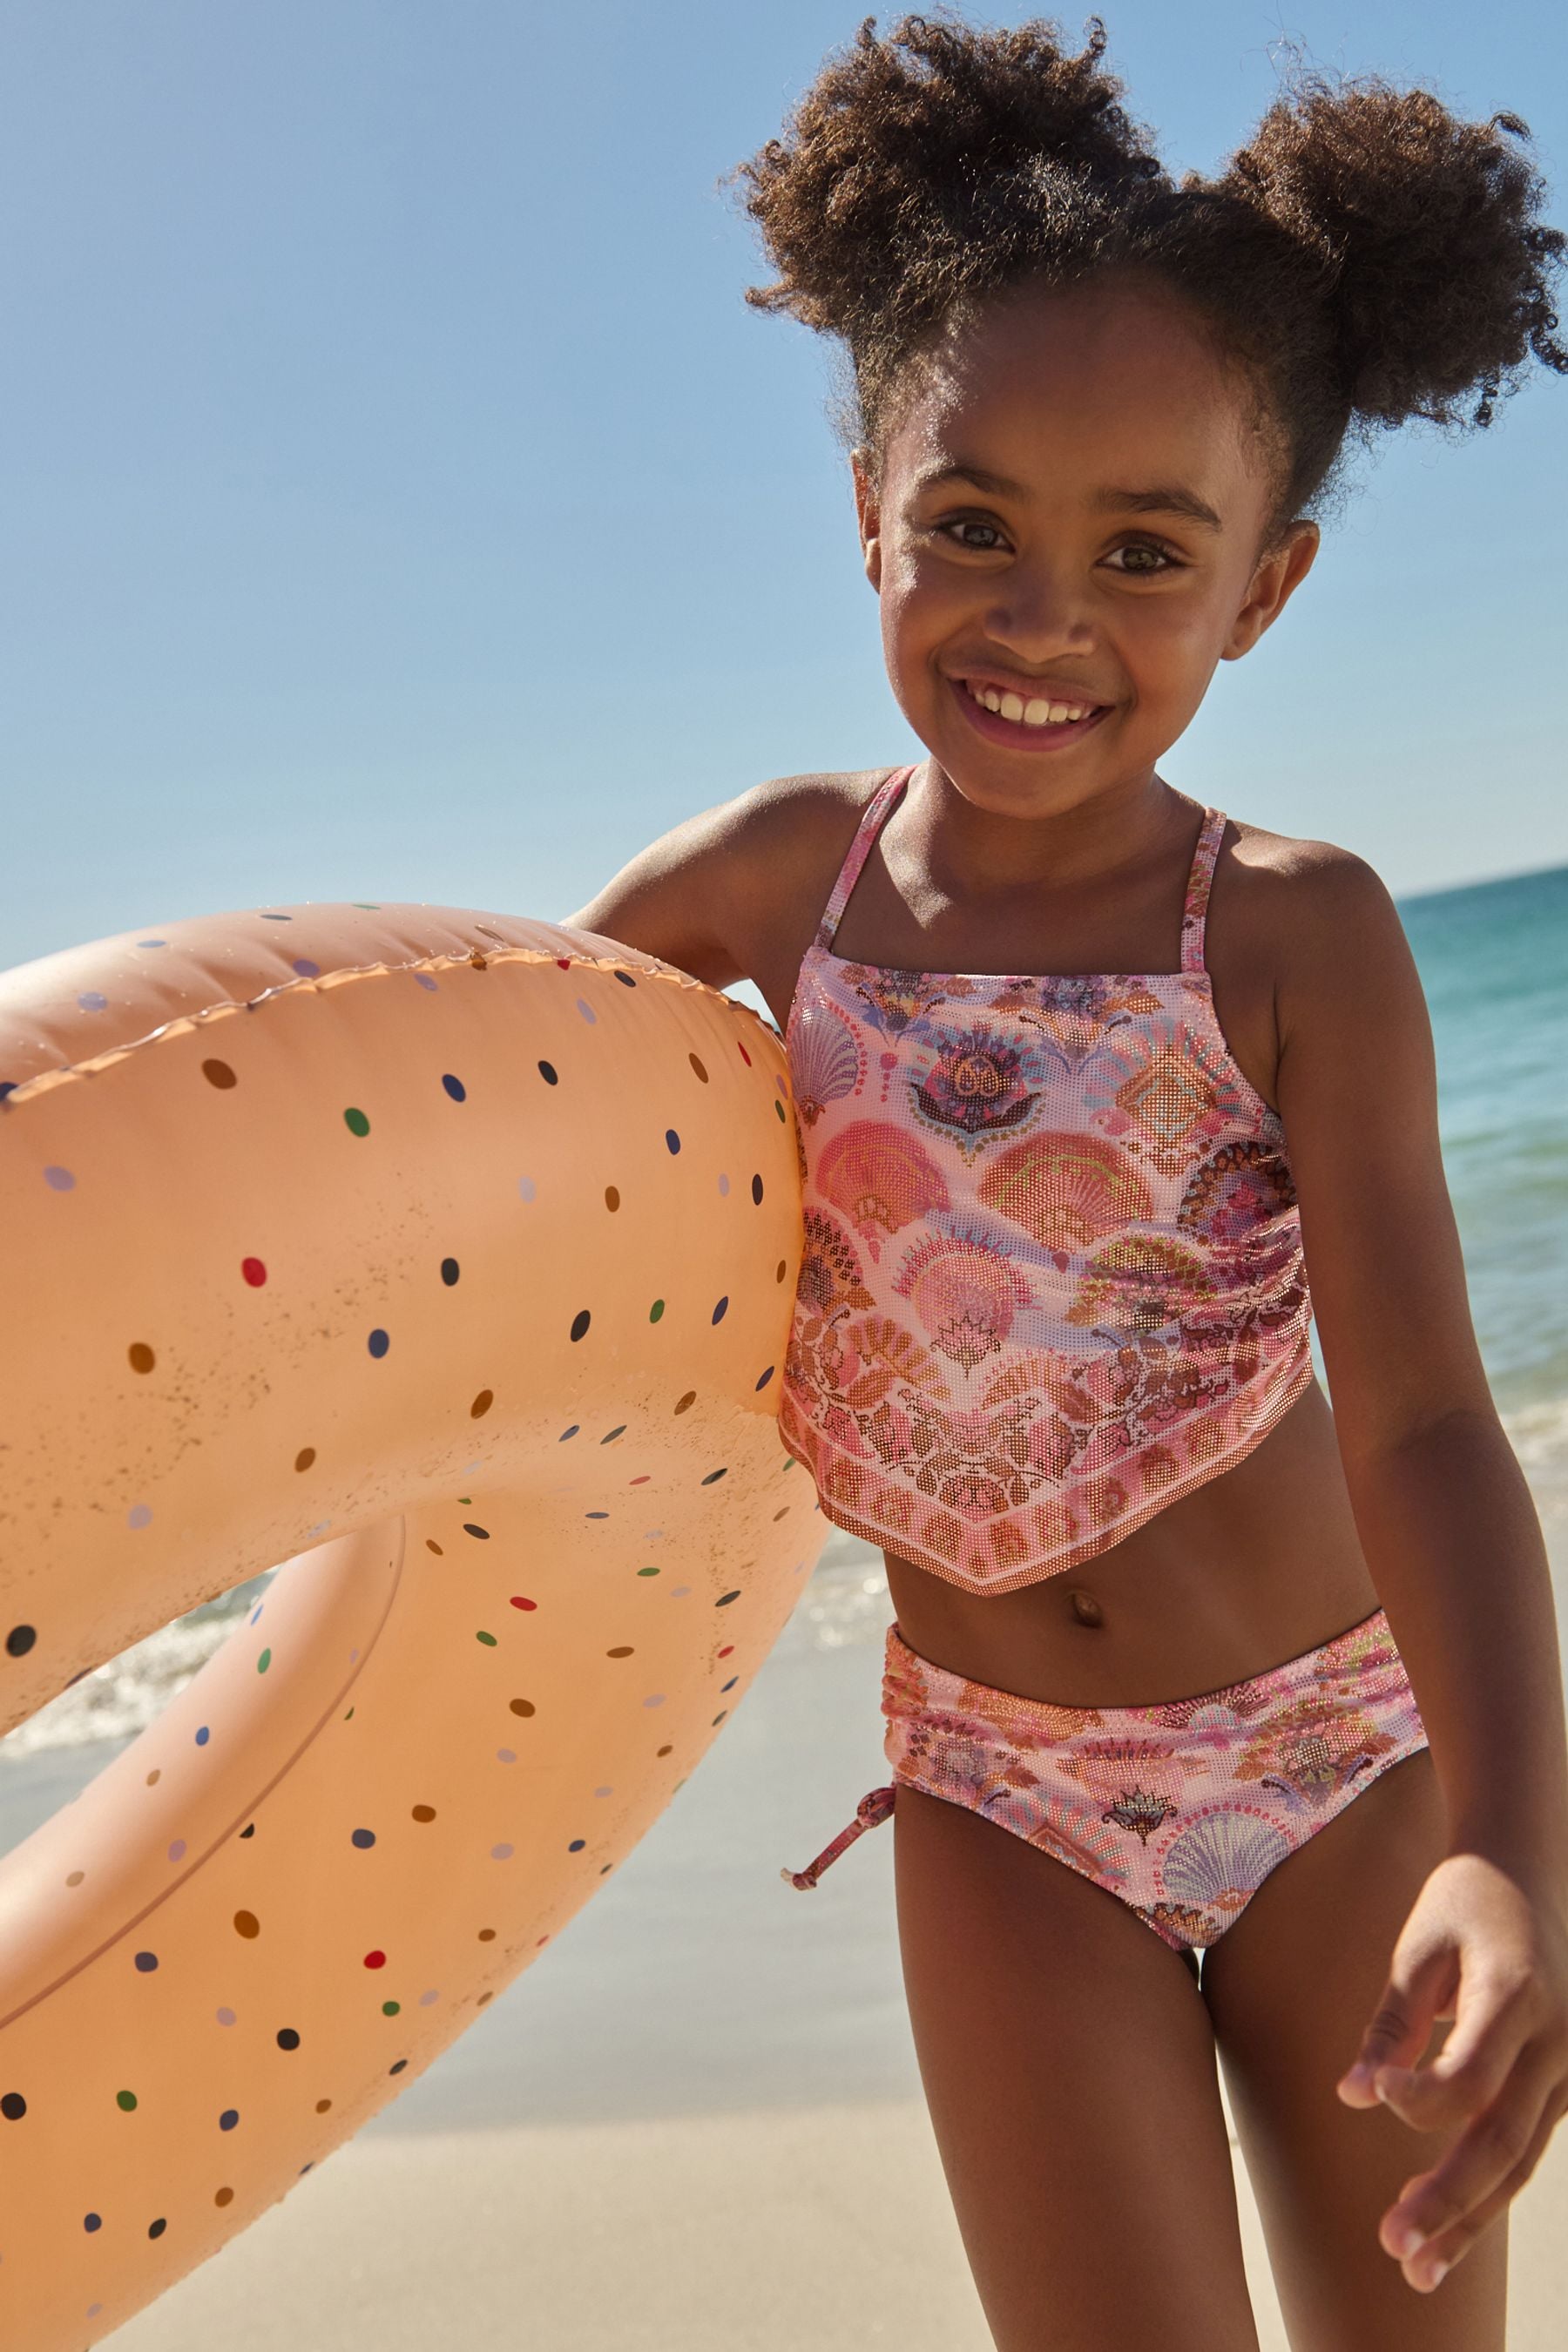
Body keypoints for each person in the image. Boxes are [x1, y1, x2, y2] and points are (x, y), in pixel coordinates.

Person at [564, 14, 1568, 2345]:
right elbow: (506, 1142)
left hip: (1327, 1750)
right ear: (864, 513)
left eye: (1147, 552)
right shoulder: (762, 887)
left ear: (1268, 587)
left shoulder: (1293, 929)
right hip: (997, 1787)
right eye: (973, 527)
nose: (1044, 619)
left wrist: (1514, 1846)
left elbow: (1423, 1413)